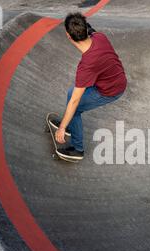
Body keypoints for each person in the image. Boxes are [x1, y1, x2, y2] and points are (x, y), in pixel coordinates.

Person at [50, 12, 127, 160]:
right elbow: (91, 30)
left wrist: (61, 128)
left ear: (69, 37)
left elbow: (75, 101)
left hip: (110, 91)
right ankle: (70, 123)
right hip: (117, 79)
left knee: (75, 107)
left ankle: (78, 149)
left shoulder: (86, 66)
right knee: (71, 92)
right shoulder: (100, 37)